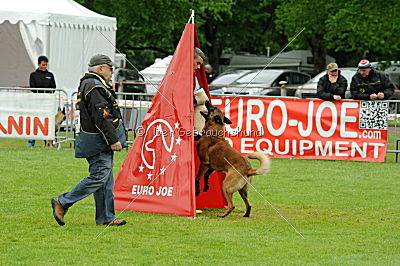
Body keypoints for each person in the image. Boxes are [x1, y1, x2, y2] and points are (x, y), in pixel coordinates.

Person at [51, 54, 127, 226]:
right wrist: (113, 139)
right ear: (101, 68)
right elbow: (102, 116)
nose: (112, 72)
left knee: (105, 180)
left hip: (95, 139)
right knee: (100, 176)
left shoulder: (93, 84)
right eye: (110, 68)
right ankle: (63, 201)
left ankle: (106, 218)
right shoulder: (95, 86)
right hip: (98, 141)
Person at [27, 56, 56, 146]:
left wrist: (45, 93)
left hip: (47, 102)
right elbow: (32, 87)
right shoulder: (33, 75)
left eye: (46, 65)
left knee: (47, 122)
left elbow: (53, 87)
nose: (45, 67)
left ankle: (49, 143)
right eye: (43, 65)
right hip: (36, 101)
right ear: (39, 64)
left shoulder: (50, 75)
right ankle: (31, 142)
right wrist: (42, 93)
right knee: (34, 122)